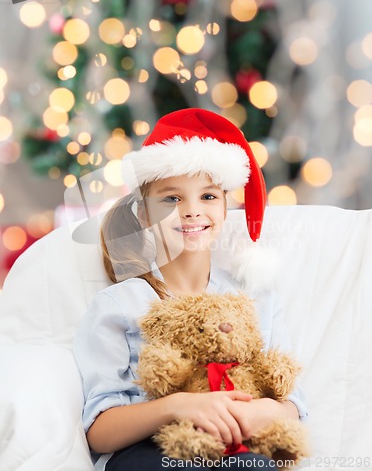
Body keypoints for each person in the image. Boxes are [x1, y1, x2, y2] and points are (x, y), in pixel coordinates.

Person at [73, 108, 308, 471]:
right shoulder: (120, 304)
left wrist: (263, 411)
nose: (192, 212)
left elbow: (293, 405)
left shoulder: (256, 297)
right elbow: (99, 431)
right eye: (171, 198)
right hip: (151, 454)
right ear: (145, 215)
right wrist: (180, 405)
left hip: (238, 454)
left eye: (209, 197)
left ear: (226, 205)